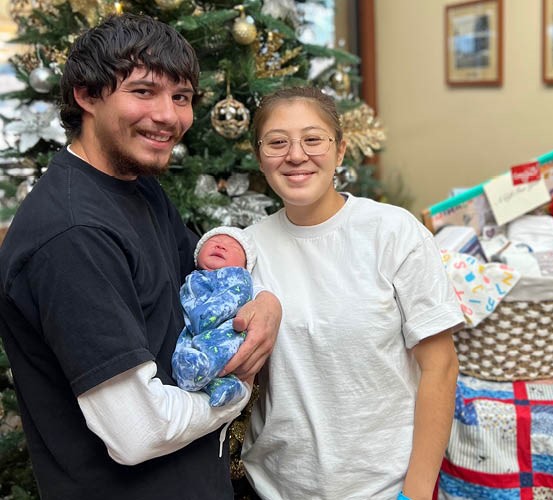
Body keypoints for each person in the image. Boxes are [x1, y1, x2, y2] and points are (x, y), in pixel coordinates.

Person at [0, 14, 280, 500]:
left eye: (182, 97)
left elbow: (204, 284)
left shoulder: (136, 185)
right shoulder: (72, 235)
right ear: (87, 96)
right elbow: (138, 432)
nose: (169, 116)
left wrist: (267, 304)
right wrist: (236, 392)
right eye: (144, 91)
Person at [239, 86, 465, 500]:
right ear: (259, 157)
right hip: (275, 487)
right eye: (277, 142)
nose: (295, 155)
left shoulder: (393, 232)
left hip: (386, 487)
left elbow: (441, 368)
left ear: (340, 151)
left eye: (313, 139)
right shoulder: (247, 249)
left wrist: (415, 492)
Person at [173, 226, 257, 407]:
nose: (221, 246)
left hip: (224, 328)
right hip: (193, 328)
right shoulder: (193, 277)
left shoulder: (237, 276)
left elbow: (235, 297)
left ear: (245, 264)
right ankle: (222, 387)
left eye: (233, 247)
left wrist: (212, 312)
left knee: (219, 348)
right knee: (183, 353)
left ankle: (207, 373)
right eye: (214, 242)